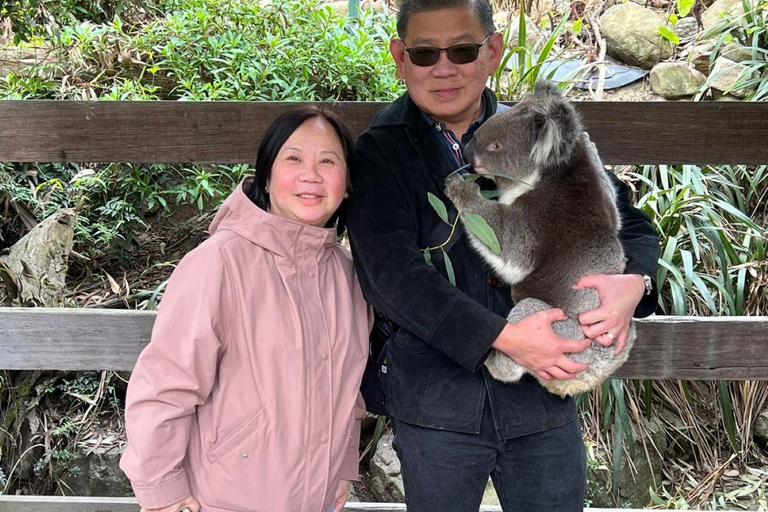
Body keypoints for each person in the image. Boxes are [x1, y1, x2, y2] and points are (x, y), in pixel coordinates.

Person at [346, 0, 661, 510]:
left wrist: (636, 283)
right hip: (436, 402)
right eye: (425, 53)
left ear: (492, 52)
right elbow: (391, 278)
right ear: (399, 57)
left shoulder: (535, 133)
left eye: (463, 49)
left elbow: (629, 221)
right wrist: (506, 338)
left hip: (544, 393)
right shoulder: (381, 152)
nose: (444, 67)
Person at [120, 106, 371, 512]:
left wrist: (343, 462)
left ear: (347, 185)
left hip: (318, 498)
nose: (311, 175)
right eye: (293, 159)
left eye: (328, 161)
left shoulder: (348, 276)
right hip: (223, 499)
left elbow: (348, 385)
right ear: (267, 178)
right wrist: (160, 487)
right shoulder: (219, 262)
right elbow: (166, 383)